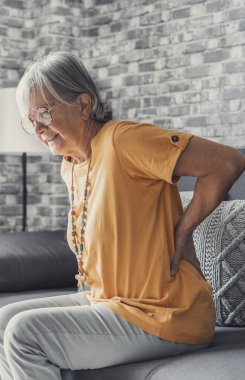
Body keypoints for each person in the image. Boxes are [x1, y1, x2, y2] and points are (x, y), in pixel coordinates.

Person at [0, 51, 244, 380]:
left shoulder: (124, 140)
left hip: (165, 312)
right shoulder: (70, 165)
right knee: (4, 322)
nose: (39, 128)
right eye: (31, 120)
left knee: (23, 333)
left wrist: (185, 231)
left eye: (44, 112)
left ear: (84, 105)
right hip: (110, 303)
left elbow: (226, 162)